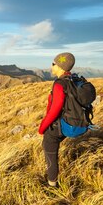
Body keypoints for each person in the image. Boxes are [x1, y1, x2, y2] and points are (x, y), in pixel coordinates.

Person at [38, 52, 76, 187]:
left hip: (64, 124)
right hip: (75, 122)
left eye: (53, 64)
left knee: (49, 145)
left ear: (60, 66)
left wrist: (42, 128)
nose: (51, 66)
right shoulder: (73, 79)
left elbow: (54, 110)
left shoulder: (59, 84)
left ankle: (52, 184)